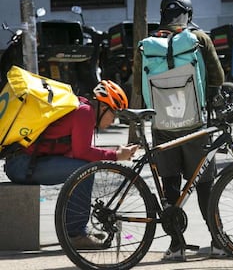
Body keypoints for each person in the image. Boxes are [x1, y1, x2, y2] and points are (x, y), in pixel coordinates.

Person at [138, 0, 225, 261]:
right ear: (189, 14)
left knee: (171, 186)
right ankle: (219, 242)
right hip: (195, 124)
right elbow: (218, 78)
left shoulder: (148, 44)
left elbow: (140, 87)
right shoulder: (199, 39)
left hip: (162, 125)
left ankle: (176, 247)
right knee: (204, 186)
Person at [4, 80, 138, 249]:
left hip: (20, 162)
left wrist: (114, 152)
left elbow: (78, 150)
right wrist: (117, 155)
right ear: (103, 108)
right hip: (22, 165)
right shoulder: (85, 113)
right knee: (84, 171)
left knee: (82, 167)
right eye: (114, 114)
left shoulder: (82, 108)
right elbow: (83, 153)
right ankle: (75, 234)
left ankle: (76, 230)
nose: (113, 121)